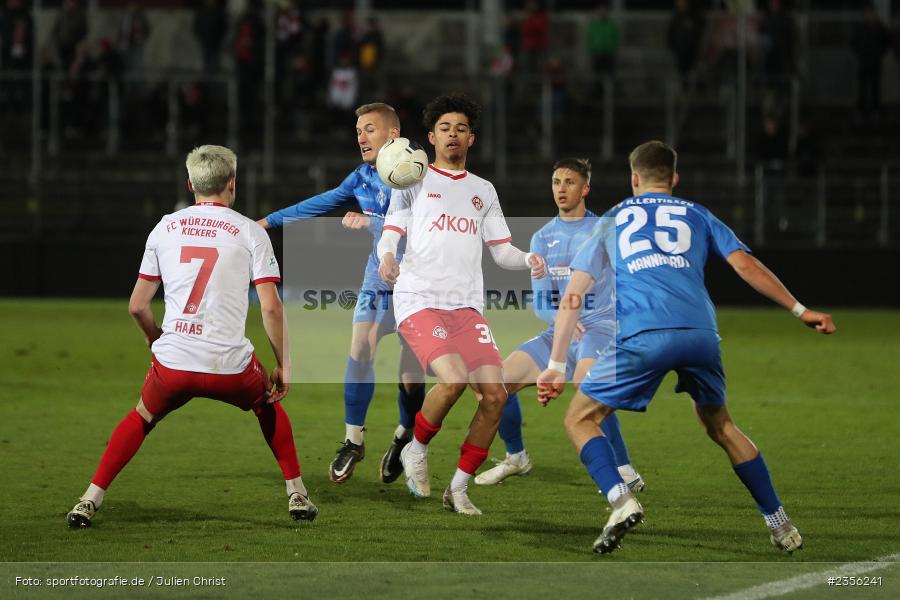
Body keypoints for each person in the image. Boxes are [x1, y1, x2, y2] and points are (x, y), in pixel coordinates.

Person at [537, 141, 835, 554]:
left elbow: (572, 297)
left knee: (579, 418)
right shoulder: (698, 214)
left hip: (643, 336)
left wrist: (555, 364)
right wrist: (799, 309)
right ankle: (780, 524)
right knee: (721, 427)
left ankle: (621, 500)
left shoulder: (612, 219)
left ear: (634, 179)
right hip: (700, 336)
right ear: (674, 179)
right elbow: (745, 265)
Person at [67, 145, 317, 528]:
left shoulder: (165, 226)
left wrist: (155, 338)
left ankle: (89, 498)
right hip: (230, 367)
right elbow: (270, 307)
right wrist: (284, 364)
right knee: (267, 404)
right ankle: (297, 494)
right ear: (232, 184)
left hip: (174, 363)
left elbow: (137, 305)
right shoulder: (250, 231)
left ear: (190, 184)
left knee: (142, 417)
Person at [377, 94, 546, 515]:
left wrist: (527, 259)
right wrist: (386, 256)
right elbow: (391, 232)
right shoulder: (410, 180)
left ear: (471, 139)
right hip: (419, 299)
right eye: (445, 128)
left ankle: (458, 487)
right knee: (451, 381)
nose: (453, 134)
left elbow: (502, 250)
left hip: (466, 307)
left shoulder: (483, 190)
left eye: (461, 129)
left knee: (495, 395)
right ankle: (415, 449)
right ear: (431, 138)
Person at [258, 103, 426, 485]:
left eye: (369, 129)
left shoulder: (421, 177)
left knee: (411, 374)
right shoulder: (363, 177)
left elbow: (430, 229)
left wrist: (373, 221)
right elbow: (321, 202)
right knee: (360, 344)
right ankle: (353, 440)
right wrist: (269, 221)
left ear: (393, 135)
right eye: (358, 131)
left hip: (420, 283)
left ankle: (403, 437)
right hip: (380, 279)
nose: (361, 137)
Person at [475, 158, 643, 491]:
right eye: (556, 182)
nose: (561, 189)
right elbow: (542, 301)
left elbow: (627, 281)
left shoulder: (604, 231)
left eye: (569, 182)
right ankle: (516, 457)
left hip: (599, 328)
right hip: (558, 330)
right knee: (496, 385)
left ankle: (623, 469)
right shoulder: (542, 237)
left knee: (589, 389)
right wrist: (562, 320)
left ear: (585, 189)